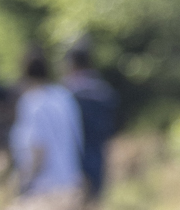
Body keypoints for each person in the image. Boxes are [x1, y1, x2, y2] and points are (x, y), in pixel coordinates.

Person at [8, 50, 84, 200]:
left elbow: (38, 149)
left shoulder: (31, 101)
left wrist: (23, 183)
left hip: (43, 189)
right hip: (70, 183)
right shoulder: (64, 97)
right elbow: (77, 139)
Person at [63, 41, 119, 201]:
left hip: (73, 153)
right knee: (96, 197)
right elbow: (113, 122)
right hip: (98, 149)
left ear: (72, 64)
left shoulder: (66, 92)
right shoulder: (103, 90)